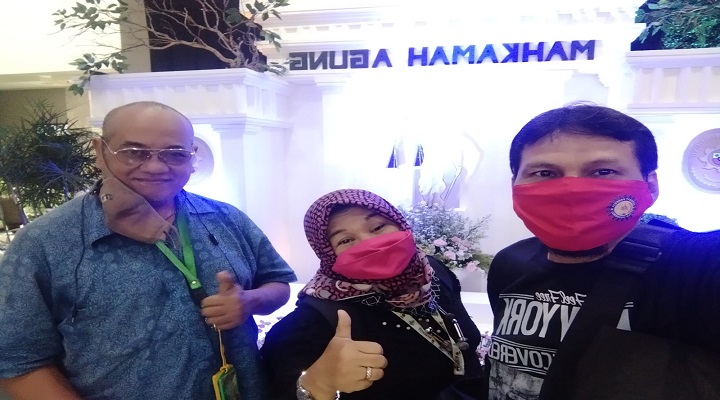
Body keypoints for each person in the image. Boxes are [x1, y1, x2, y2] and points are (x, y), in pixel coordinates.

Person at [0, 101, 297, 400]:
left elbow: (278, 281)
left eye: (175, 154)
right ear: (100, 151)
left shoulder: (226, 219)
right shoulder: (46, 242)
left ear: (192, 156)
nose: (156, 167)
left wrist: (250, 301)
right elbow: (18, 362)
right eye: (134, 152)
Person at [487, 104, 720, 399]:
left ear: (650, 185)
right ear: (515, 185)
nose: (572, 189)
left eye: (603, 171)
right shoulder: (509, 264)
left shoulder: (694, 265)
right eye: (545, 172)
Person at [261, 189, 486, 400]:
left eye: (378, 227)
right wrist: (317, 384)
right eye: (345, 240)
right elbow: (280, 386)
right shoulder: (316, 318)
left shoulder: (431, 273)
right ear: (328, 254)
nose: (371, 243)